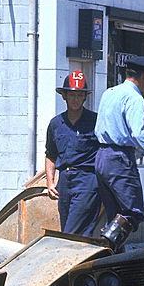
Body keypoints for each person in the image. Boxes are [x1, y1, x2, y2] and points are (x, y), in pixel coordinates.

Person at [94, 55, 144, 249]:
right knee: (132, 213)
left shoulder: (109, 92)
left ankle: (113, 259)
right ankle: (107, 249)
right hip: (119, 158)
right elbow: (139, 133)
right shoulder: (134, 97)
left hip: (102, 156)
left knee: (115, 214)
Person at [44, 71, 103, 236]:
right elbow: (50, 155)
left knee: (71, 232)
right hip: (65, 181)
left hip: (87, 181)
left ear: (84, 97)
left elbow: (107, 152)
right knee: (71, 230)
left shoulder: (96, 122)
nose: (75, 99)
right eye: (71, 94)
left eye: (79, 95)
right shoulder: (56, 124)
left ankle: (67, 260)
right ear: (64, 96)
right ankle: (84, 261)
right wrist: (50, 183)